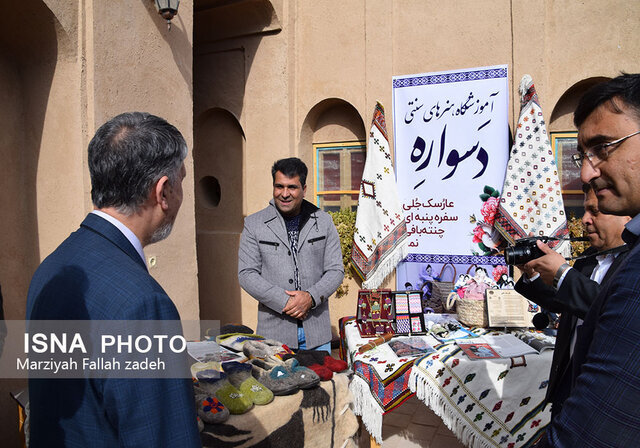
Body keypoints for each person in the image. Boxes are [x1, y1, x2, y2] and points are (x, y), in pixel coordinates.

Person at [26, 112, 200, 447]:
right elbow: (163, 435)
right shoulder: (143, 304)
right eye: (182, 180)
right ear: (163, 191)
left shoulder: (52, 266)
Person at [533, 73, 640, 447]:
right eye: (584, 154)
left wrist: (560, 273)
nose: (587, 172)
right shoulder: (594, 260)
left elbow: (593, 432)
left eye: (603, 147)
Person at [515, 183, 630, 418]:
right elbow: (565, 303)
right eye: (585, 211)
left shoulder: (632, 266)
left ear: (627, 217)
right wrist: (531, 273)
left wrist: (563, 273)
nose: (586, 220)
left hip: (605, 398)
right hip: (569, 386)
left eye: (595, 212)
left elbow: (609, 308)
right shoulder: (589, 258)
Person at [238, 157, 344, 352]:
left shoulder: (323, 221)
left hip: (317, 336)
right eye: (279, 186)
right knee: (276, 383)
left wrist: (310, 298)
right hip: (274, 336)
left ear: (304, 188)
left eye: (292, 187)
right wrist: (285, 301)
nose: (284, 194)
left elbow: (335, 270)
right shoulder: (254, 224)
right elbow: (247, 274)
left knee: (324, 382)